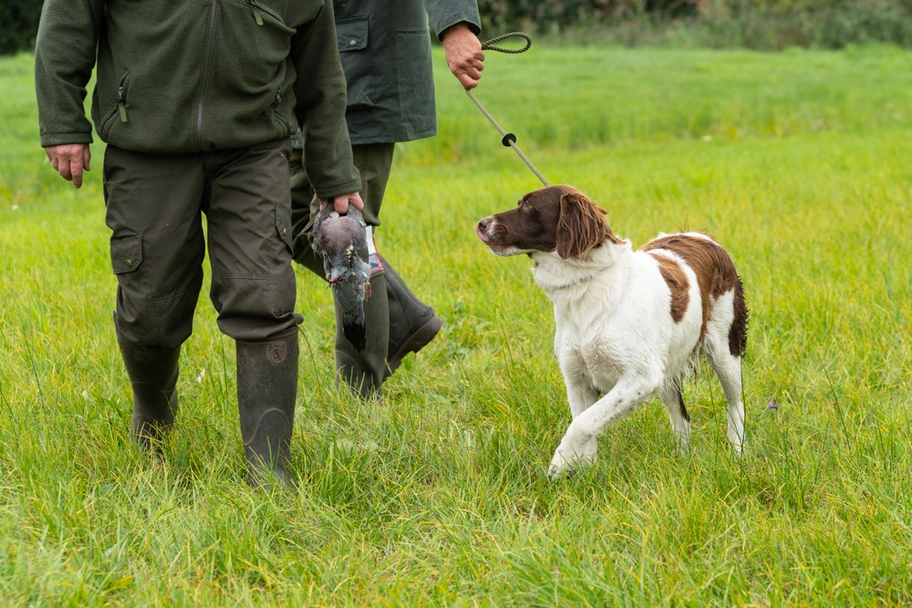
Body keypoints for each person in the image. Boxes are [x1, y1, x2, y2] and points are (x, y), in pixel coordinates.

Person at [34, 0, 363, 489]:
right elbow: (66, 23)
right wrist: (63, 122)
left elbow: (322, 78)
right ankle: (152, 416)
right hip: (146, 146)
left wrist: (335, 173)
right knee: (150, 308)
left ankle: (269, 471)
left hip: (254, 149)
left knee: (266, 296)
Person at [290, 1, 485, 398]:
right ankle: (403, 316)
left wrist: (455, 25)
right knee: (289, 219)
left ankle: (359, 391)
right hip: (298, 72)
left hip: (363, 63)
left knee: (341, 229)